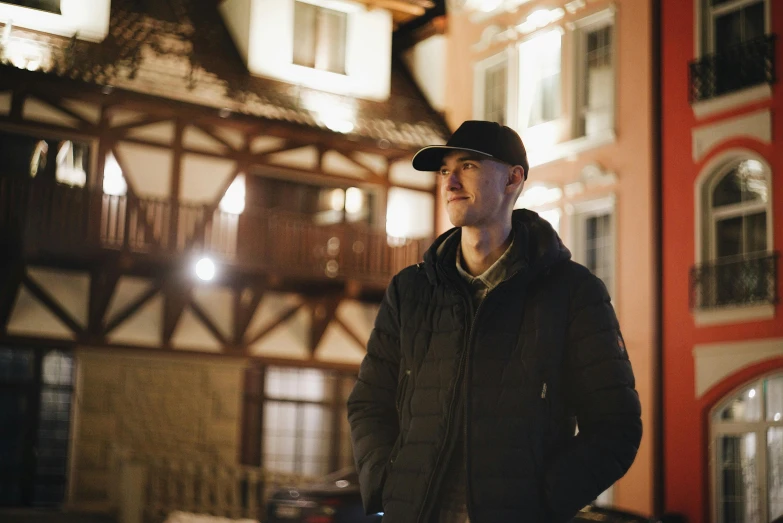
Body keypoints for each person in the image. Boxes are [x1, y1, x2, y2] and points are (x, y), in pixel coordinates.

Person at [347, 120, 642, 523]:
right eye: (444, 170)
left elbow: (616, 427)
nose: (450, 182)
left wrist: (541, 501)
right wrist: (386, 485)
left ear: (512, 179)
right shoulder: (410, 290)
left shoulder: (574, 293)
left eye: (467, 166)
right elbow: (369, 402)